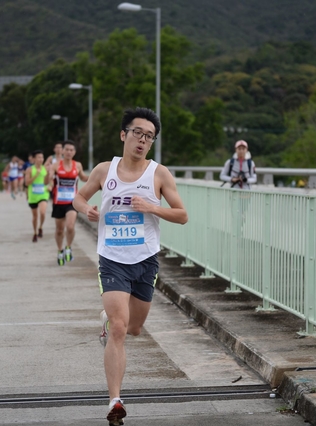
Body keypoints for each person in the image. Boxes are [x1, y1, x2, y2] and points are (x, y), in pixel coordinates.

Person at [73, 107, 188, 425]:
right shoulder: (103, 171)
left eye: (149, 136)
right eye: (138, 133)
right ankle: (115, 401)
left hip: (145, 260)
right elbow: (78, 198)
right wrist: (87, 209)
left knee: (135, 328)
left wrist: (152, 207)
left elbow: (182, 215)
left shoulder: (159, 174)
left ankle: (109, 321)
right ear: (123, 134)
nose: (142, 140)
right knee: (120, 329)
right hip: (112, 259)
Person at [49, 141, 89, 266]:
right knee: (59, 230)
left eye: (71, 150)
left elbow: (83, 178)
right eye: (66, 149)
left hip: (72, 202)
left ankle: (68, 247)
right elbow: (48, 179)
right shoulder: (55, 165)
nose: (69, 152)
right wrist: (48, 176)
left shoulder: (78, 165)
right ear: (62, 151)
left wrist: (99, 178)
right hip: (58, 202)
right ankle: (60, 250)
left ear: (74, 152)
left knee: (70, 226)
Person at [25, 150, 50, 243]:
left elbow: (46, 182)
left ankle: (41, 227)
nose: (41, 159)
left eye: (42, 157)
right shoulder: (30, 169)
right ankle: (35, 232)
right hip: (33, 196)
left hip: (43, 194)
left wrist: (48, 174)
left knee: (42, 212)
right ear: (34, 159)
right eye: (39, 157)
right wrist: (36, 175)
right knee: (35, 216)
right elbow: (27, 183)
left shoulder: (45, 169)